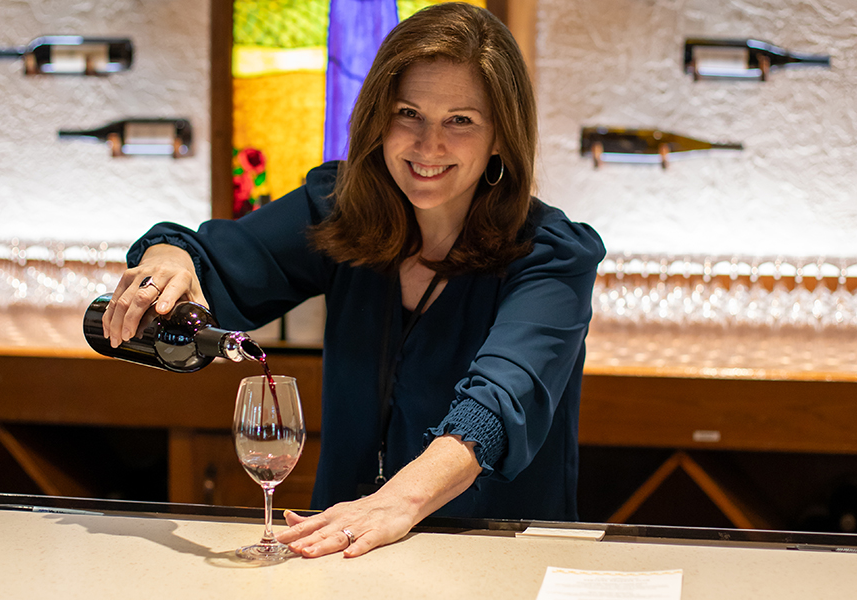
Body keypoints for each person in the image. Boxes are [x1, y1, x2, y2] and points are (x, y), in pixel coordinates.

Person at [102, 2, 605, 559]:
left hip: (499, 557)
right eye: (408, 113)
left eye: (460, 120)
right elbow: (212, 262)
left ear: (499, 138)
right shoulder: (340, 211)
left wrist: (397, 502)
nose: (428, 145)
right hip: (347, 555)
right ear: (378, 118)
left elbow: (499, 403)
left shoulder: (552, 255)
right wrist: (172, 258)